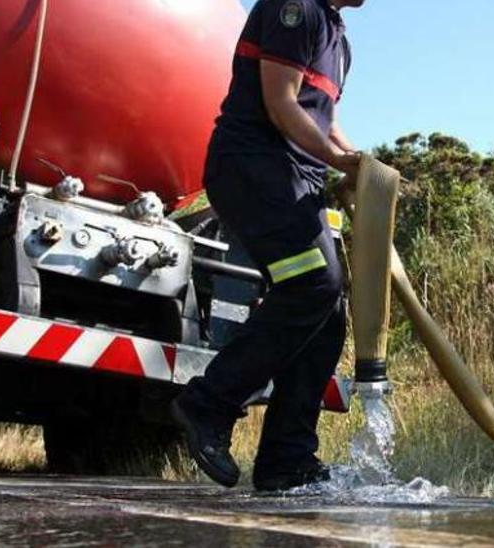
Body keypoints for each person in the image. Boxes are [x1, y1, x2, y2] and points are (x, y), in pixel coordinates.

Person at [169, 0, 365, 492]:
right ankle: (208, 403)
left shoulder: (338, 38)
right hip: (255, 168)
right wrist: (339, 164)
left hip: (296, 178)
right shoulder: (294, 8)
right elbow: (281, 103)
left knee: (327, 312)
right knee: (313, 286)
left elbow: (322, 117)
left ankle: (286, 460)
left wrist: (357, 160)